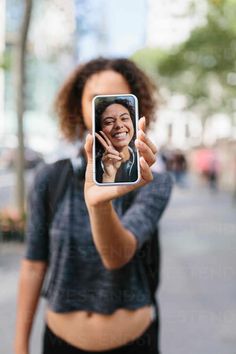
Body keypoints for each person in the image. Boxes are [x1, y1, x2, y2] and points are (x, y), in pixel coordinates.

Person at [14, 57, 172, 354]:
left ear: (135, 111)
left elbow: (117, 256)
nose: (110, 113)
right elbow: (34, 265)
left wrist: (99, 206)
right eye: (98, 101)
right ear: (80, 108)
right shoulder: (50, 178)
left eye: (120, 101)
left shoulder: (155, 181)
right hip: (60, 343)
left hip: (134, 344)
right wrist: (20, 345)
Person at [95, 98, 138, 183]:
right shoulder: (92, 169)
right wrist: (108, 177)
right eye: (109, 122)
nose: (119, 125)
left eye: (124, 118)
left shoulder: (143, 162)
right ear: (99, 130)